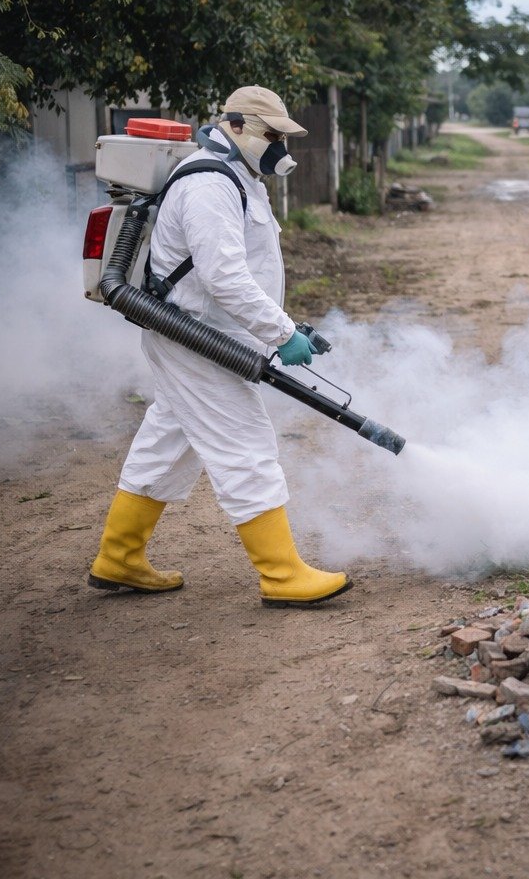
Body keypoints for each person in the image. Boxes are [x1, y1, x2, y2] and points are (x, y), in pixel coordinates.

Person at [88, 86, 351, 607]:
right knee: (245, 446)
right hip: (194, 338)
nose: (280, 146)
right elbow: (224, 278)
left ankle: (120, 556)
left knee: (167, 443)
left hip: (209, 335)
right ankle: (282, 575)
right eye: (272, 135)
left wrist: (284, 325)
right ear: (235, 126)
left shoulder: (240, 177)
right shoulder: (209, 184)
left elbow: (246, 270)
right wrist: (281, 333)